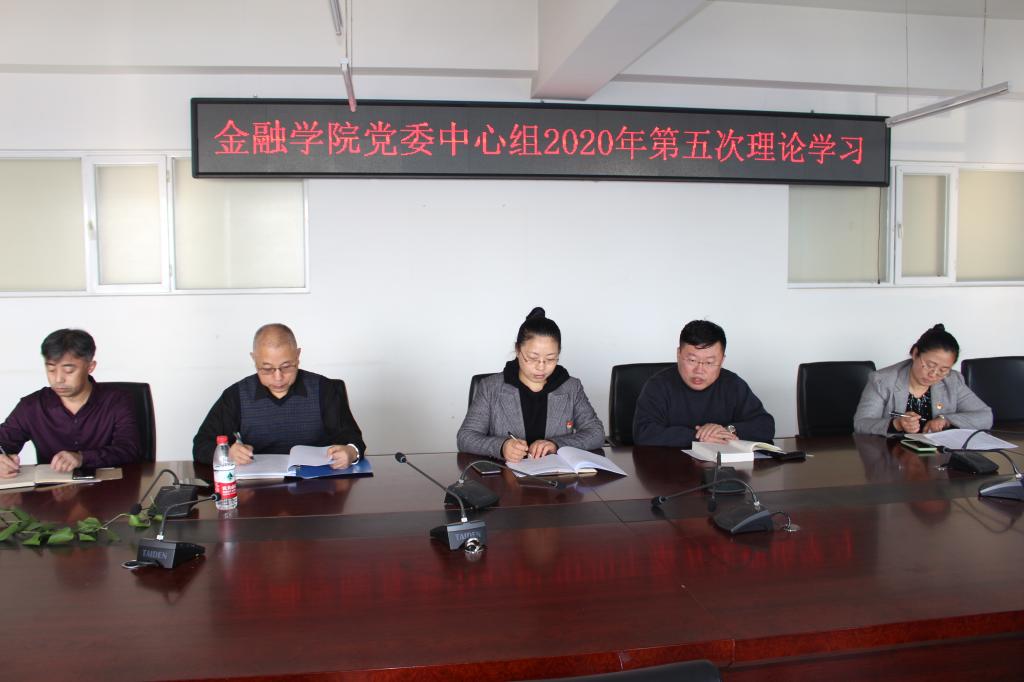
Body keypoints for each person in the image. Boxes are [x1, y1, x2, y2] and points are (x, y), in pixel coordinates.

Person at [192, 323, 366, 467]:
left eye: (286, 367)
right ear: (254, 359)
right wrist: (228, 453)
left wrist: (351, 452)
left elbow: (353, 440)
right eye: (267, 369)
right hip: (259, 488)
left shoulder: (324, 390)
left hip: (317, 483)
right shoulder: (236, 395)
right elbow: (201, 444)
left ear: (297, 355)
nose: (278, 377)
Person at [457, 307, 605, 462]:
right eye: (533, 358)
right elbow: (465, 437)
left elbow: (596, 433)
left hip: (556, 474)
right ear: (518, 350)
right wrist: (501, 446)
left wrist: (556, 444)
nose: (541, 366)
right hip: (505, 474)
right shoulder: (491, 387)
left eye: (550, 359)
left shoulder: (571, 387)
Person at [0, 329, 141, 477]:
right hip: (51, 489)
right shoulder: (32, 406)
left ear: (90, 367)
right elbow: (3, 442)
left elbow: (129, 449)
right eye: (51, 369)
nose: (58, 379)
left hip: (111, 487)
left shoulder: (117, 401)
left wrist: (82, 458)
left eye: (68, 371)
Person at [632, 319, 774, 448]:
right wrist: (699, 436)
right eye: (692, 360)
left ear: (722, 360)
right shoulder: (658, 385)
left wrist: (727, 431)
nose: (699, 370)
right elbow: (643, 432)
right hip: (670, 466)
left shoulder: (732, 384)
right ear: (678, 354)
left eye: (709, 362)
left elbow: (766, 425)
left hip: (722, 466)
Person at [853, 324, 992, 436]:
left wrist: (946, 420)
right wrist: (897, 424)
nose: (933, 374)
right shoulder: (882, 380)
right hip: (892, 454)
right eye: (930, 365)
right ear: (915, 353)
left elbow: (985, 416)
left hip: (939, 456)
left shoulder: (952, 380)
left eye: (943, 370)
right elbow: (861, 424)